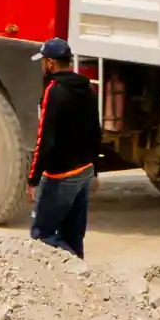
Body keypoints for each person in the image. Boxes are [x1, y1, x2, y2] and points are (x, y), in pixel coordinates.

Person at [27, 37, 100, 256]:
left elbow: (45, 139)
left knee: (42, 236)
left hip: (61, 176)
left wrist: (33, 178)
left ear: (50, 63)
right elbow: (95, 132)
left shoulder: (54, 91)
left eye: (43, 62)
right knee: (73, 237)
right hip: (84, 172)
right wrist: (95, 169)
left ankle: (62, 278)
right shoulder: (88, 88)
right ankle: (79, 279)